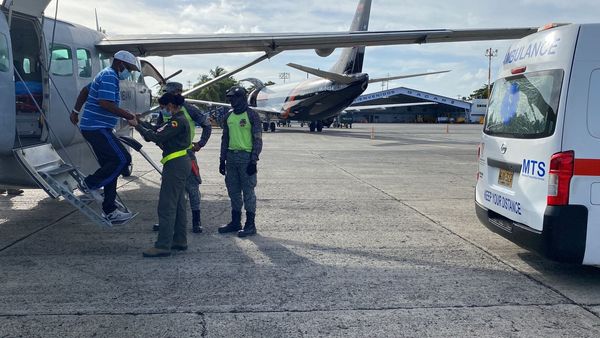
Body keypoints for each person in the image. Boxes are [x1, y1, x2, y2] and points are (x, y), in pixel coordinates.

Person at [76, 50, 139, 223]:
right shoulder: (110, 75)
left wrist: (75, 111)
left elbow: (84, 91)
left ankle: (110, 210)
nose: (130, 72)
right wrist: (129, 116)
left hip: (98, 127)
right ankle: (89, 184)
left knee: (112, 166)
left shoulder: (105, 75)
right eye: (129, 68)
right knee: (122, 159)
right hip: (96, 128)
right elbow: (105, 103)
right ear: (120, 64)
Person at [130, 93, 191, 257]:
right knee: (178, 205)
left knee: (166, 205)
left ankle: (163, 245)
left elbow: (156, 136)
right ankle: (179, 240)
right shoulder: (175, 120)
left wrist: (137, 126)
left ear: (171, 105)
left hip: (175, 166)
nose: (163, 110)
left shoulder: (177, 121)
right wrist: (141, 123)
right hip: (179, 163)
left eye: (164, 107)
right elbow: (158, 129)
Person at [152, 82, 212, 233]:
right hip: (170, 154)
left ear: (178, 92)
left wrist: (200, 143)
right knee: (170, 189)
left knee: (192, 187)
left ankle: (196, 221)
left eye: (169, 92)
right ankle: (167, 221)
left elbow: (207, 124)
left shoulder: (190, 109)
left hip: (187, 153)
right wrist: (161, 143)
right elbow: (158, 129)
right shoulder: (165, 110)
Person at [218, 86, 262, 237]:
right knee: (233, 191)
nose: (231, 101)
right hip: (231, 157)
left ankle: (250, 225)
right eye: (230, 99)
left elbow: (257, 139)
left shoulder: (252, 115)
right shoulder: (228, 116)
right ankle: (235, 222)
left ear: (242, 99)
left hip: (246, 158)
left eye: (234, 98)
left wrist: (253, 160)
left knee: (248, 192)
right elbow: (225, 139)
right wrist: (222, 159)